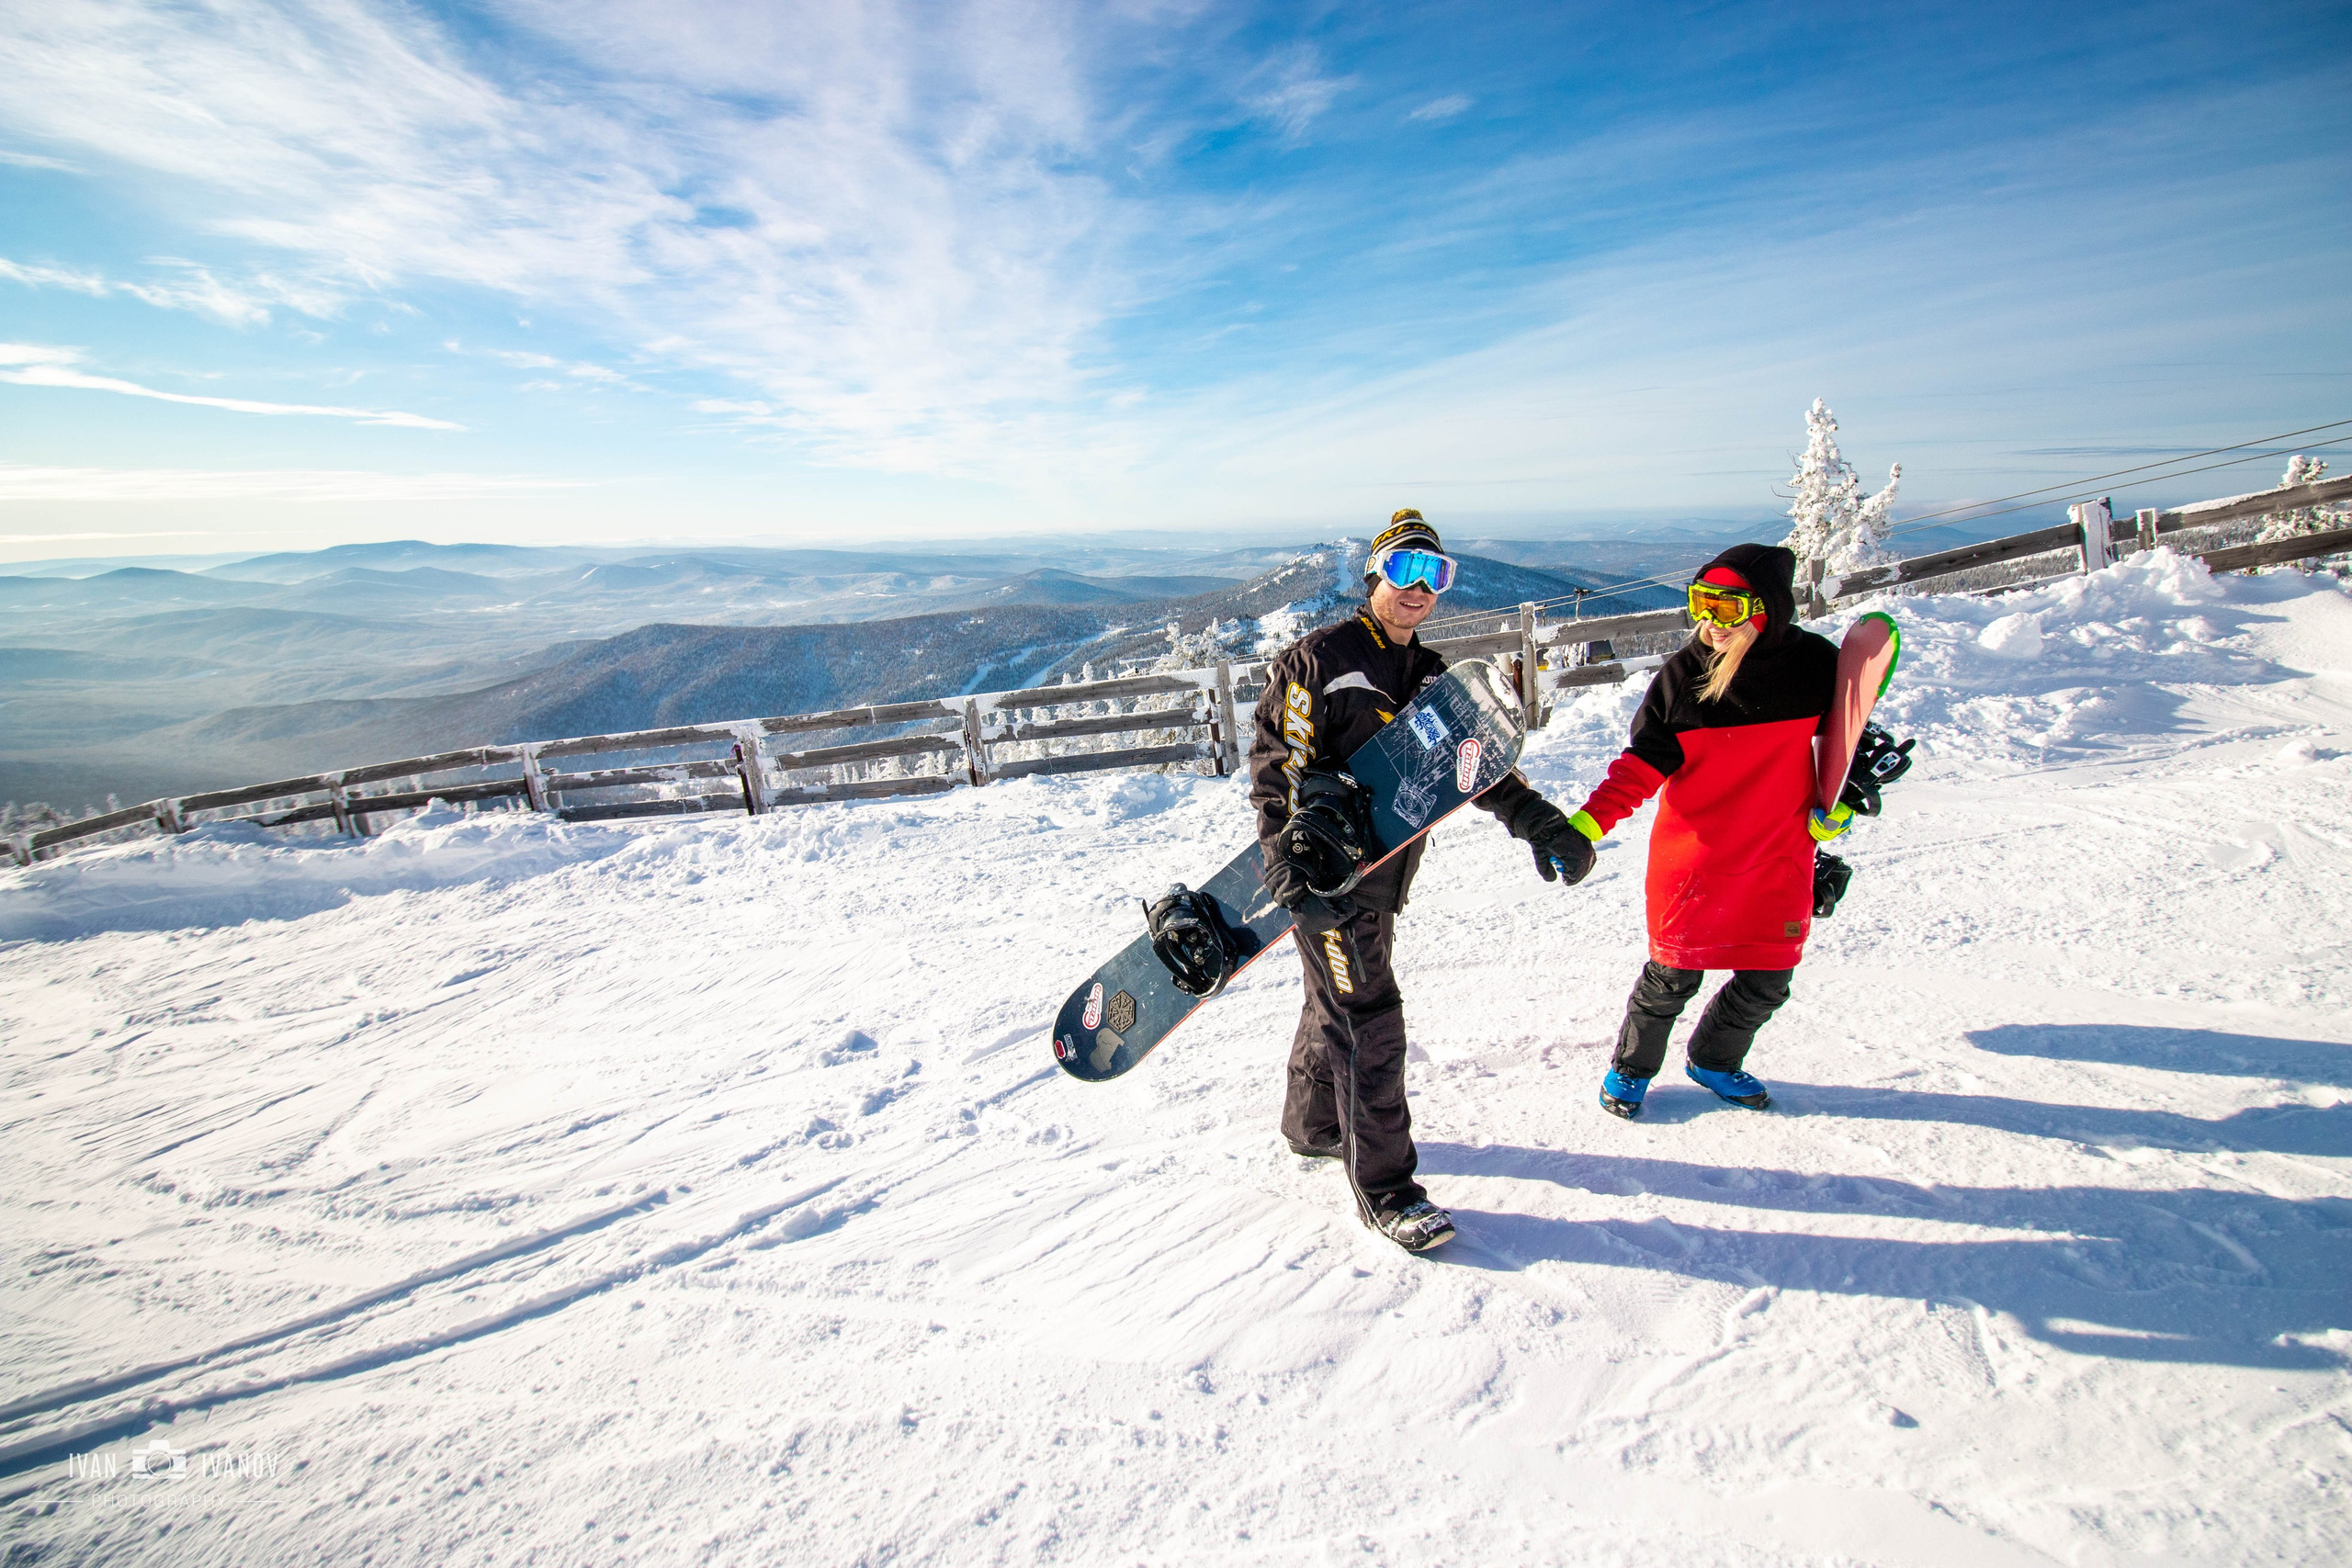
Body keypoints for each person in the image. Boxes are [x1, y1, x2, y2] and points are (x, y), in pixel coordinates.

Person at [1248, 510, 1592, 1251]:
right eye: (1405, 570)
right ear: (1375, 573)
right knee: (1370, 1020)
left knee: (1335, 1003)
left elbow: (1481, 772)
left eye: (1436, 575)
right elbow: (1277, 763)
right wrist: (1279, 852)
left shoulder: (1434, 678)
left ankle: (1312, 1127)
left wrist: (1541, 823)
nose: (1420, 589)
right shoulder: (1319, 660)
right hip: (1324, 881)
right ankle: (1386, 1188)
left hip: (1380, 882)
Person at [1560, 543, 1842, 1119]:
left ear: (1767, 610)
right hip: (1697, 861)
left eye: (1728, 607)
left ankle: (1714, 1059)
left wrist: (1840, 804)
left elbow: (1847, 744)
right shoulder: (1684, 678)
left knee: (1769, 977)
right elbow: (1639, 768)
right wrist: (1585, 826)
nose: (1710, 621)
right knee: (1672, 978)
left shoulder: (1815, 665)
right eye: (1701, 603)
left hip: (1779, 855)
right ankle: (1631, 1070)